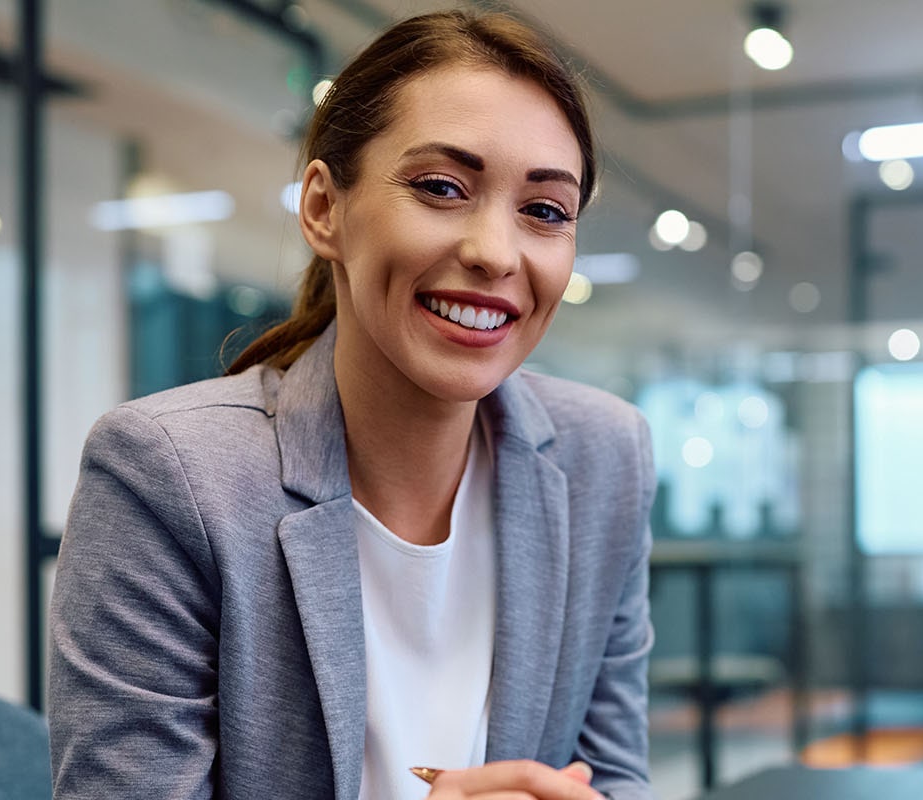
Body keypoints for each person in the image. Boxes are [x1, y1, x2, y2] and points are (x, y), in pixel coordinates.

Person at [47, 11, 653, 800]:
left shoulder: (603, 456)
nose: (495, 253)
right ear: (324, 210)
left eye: (544, 211)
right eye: (441, 188)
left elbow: (614, 783)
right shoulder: (170, 477)